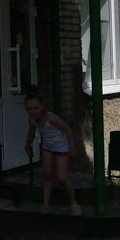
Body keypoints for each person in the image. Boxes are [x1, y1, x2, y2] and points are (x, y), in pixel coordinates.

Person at [23, 86, 81, 216]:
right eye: (29, 109)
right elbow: (31, 133)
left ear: (42, 107)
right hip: (48, 148)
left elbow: (67, 129)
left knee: (62, 177)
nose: (33, 111)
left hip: (61, 147)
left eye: (36, 108)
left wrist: (72, 148)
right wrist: (27, 145)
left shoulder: (51, 118)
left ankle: (74, 203)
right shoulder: (32, 119)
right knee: (47, 175)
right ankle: (45, 204)